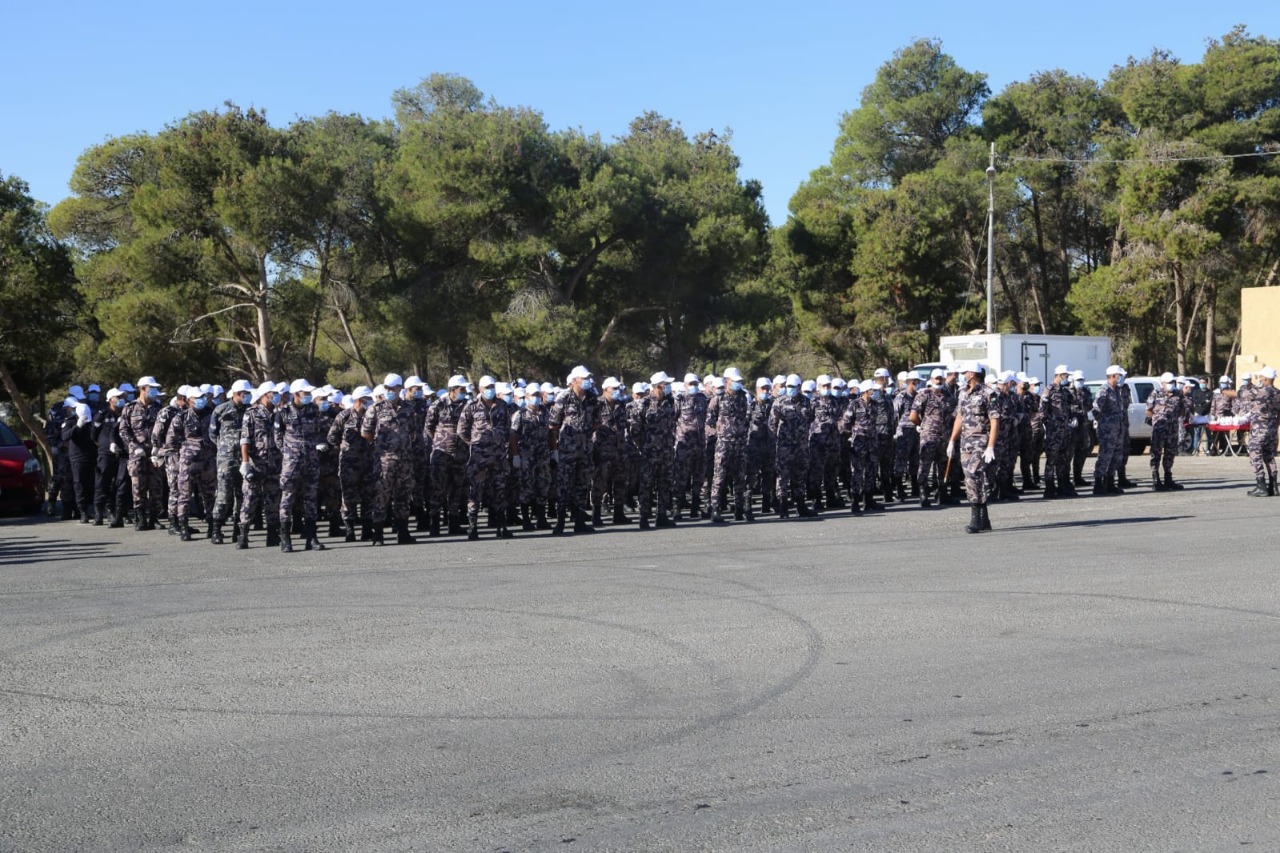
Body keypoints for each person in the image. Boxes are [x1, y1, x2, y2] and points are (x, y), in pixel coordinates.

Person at [362, 373, 416, 546]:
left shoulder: (409, 408)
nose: (389, 391)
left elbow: (414, 431)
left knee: (403, 497)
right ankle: (378, 535)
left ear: (400, 389)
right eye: (387, 388)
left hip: (404, 461)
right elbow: (365, 432)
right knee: (381, 497)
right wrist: (381, 445)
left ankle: (403, 533)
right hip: (384, 461)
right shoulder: (376, 408)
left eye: (393, 388)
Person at [549, 366, 601, 535]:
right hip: (567, 451)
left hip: (585, 449)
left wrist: (584, 434)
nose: (586, 381)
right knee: (564, 486)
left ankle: (579, 521)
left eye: (587, 378)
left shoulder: (592, 398)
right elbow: (553, 424)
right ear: (574, 380)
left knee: (582, 485)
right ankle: (561, 522)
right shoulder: (563, 397)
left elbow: (597, 422)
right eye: (583, 378)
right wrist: (557, 448)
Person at [275, 379, 326, 552]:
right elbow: (277, 437)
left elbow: (318, 431)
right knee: (287, 499)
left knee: (311, 499)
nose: (309, 396)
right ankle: (285, 539)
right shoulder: (283, 412)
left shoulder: (313, 409)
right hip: (291, 463)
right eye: (306, 393)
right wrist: (290, 452)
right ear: (296, 394)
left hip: (311, 461)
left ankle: (311, 538)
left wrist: (313, 446)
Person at [947, 363, 998, 533]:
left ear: (973, 373)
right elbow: (960, 417)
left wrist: (990, 445)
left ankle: (976, 518)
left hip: (980, 442)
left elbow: (994, 420)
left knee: (974, 476)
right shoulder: (962, 392)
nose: (964, 375)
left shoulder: (988, 393)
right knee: (970, 477)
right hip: (965, 443)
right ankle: (984, 519)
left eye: (966, 372)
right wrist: (952, 440)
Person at [237, 382, 283, 549]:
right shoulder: (252, 413)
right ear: (264, 394)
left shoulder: (280, 413)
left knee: (273, 500)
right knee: (249, 500)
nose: (276, 396)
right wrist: (245, 462)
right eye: (273, 393)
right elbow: (245, 439)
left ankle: (272, 534)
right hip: (257, 463)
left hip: (275, 463)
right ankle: (243, 535)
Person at [168, 385, 217, 541]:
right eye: (197, 398)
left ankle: (213, 527)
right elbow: (171, 441)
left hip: (208, 461)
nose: (201, 401)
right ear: (188, 400)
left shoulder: (212, 415)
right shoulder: (181, 418)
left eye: (202, 397)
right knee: (185, 495)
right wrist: (181, 455)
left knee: (209, 495)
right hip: (187, 462)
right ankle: (183, 527)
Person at [629, 372, 678, 529]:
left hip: (667, 451)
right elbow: (634, 429)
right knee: (646, 484)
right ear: (657, 386)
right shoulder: (643, 404)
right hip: (649, 452)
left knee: (665, 484)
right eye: (665, 385)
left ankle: (661, 515)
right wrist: (642, 446)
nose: (668, 387)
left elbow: (674, 423)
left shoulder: (671, 403)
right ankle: (644, 516)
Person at [119, 376, 166, 530]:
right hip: (137, 454)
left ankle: (154, 519)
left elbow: (166, 431)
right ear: (142, 388)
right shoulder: (130, 408)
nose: (154, 391)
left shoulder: (159, 408)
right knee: (137, 486)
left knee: (156, 486)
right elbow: (124, 430)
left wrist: (160, 449)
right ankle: (140, 518)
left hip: (154, 453)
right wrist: (134, 446)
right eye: (151, 388)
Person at [706, 367, 751, 523]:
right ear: (726, 381)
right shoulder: (717, 399)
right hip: (723, 444)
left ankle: (739, 509)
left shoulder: (743, 398)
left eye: (739, 382)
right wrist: (720, 434)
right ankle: (715, 509)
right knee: (719, 477)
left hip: (740, 443)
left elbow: (745, 418)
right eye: (734, 382)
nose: (737, 384)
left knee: (740, 477)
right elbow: (709, 422)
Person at [769, 374, 814, 518]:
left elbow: (810, 419)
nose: (790, 389)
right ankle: (783, 506)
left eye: (793, 387)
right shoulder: (779, 402)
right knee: (782, 476)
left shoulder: (806, 402)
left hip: (801, 445)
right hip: (784, 446)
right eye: (788, 386)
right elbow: (772, 424)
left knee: (800, 475)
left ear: (799, 387)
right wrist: (778, 442)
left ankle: (801, 505)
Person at [592, 377, 630, 526]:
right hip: (602, 451)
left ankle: (618, 513)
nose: (616, 391)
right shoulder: (597, 405)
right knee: (599, 483)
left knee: (620, 481)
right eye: (613, 389)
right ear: (605, 389)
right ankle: (596, 514)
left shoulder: (621, 405)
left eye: (618, 389)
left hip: (619, 450)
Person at [672, 373, 709, 520]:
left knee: (698, 476)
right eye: (690, 384)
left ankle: (695, 507)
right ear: (685, 386)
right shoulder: (680, 400)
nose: (693, 386)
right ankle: (677, 508)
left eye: (695, 383)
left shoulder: (702, 399)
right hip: (684, 445)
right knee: (681, 477)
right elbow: (673, 419)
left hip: (700, 444)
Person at [1146, 372, 1187, 491]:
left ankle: (1168, 478)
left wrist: (1172, 419)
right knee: (1156, 453)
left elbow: (1181, 411)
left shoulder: (1178, 394)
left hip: (1172, 429)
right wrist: (1157, 419)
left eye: (1172, 382)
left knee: (1170, 453)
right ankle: (1156, 479)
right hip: (1159, 430)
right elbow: (1148, 410)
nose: (1170, 385)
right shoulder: (1155, 393)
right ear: (1162, 383)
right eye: (1168, 383)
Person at [1242, 367, 1280, 496]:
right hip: (1272, 428)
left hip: (1259, 429)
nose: (1259, 379)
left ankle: (1261, 485)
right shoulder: (1278, 393)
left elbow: (1241, 394)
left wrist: (1225, 391)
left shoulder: (1259, 392)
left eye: (1261, 377)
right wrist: (1275, 427)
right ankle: (1274, 486)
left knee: (1255, 454)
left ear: (1265, 378)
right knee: (1269, 456)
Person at [1092, 366, 1126, 495]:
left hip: (1117, 429)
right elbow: (1096, 409)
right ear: (1113, 376)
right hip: (1107, 430)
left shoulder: (1116, 390)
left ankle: (1110, 483)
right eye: (1119, 375)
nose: (1121, 378)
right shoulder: (1104, 390)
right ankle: (1098, 483)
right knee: (1105, 456)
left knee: (1115, 456)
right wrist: (1102, 423)